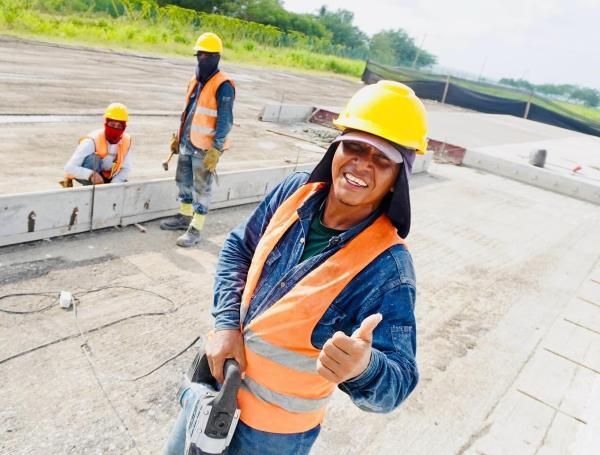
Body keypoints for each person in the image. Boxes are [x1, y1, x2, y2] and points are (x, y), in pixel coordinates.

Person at [164, 80, 427, 454]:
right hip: (215, 388)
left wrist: (363, 367)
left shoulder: (388, 267)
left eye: (381, 158)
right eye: (354, 146)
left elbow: (398, 383)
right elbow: (239, 248)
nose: (362, 164)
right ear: (336, 148)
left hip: (270, 437)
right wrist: (226, 324)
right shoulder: (294, 192)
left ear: (395, 181)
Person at [160, 32, 235, 247]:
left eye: (205, 55)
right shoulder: (195, 80)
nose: (200, 59)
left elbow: (225, 121)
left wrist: (216, 149)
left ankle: (196, 227)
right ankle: (184, 217)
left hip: (204, 148)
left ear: (214, 57)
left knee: (202, 188)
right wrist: (179, 136)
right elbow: (189, 111)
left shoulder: (224, 85)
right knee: (183, 181)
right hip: (186, 143)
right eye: (198, 54)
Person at [62, 103, 132, 187]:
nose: (115, 128)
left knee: (122, 182)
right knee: (93, 160)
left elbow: (126, 168)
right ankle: (89, 190)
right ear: (106, 123)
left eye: (119, 126)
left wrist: (113, 185)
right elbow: (69, 168)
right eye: (112, 125)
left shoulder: (126, 141)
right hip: (89, 175)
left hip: (108, 177)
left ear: (124, 127)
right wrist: (91, 174)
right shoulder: (92, 140)